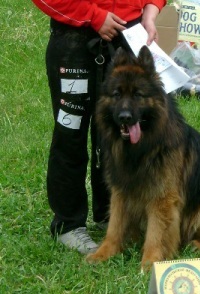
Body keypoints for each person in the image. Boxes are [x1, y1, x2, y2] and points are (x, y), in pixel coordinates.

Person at [31, 0, 166, 254]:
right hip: (75, 37)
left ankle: (112, 216)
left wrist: (151, 9)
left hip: (128, 36)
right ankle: (69, 224)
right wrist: (92, 15)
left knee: (122, 133)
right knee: (71, 130)